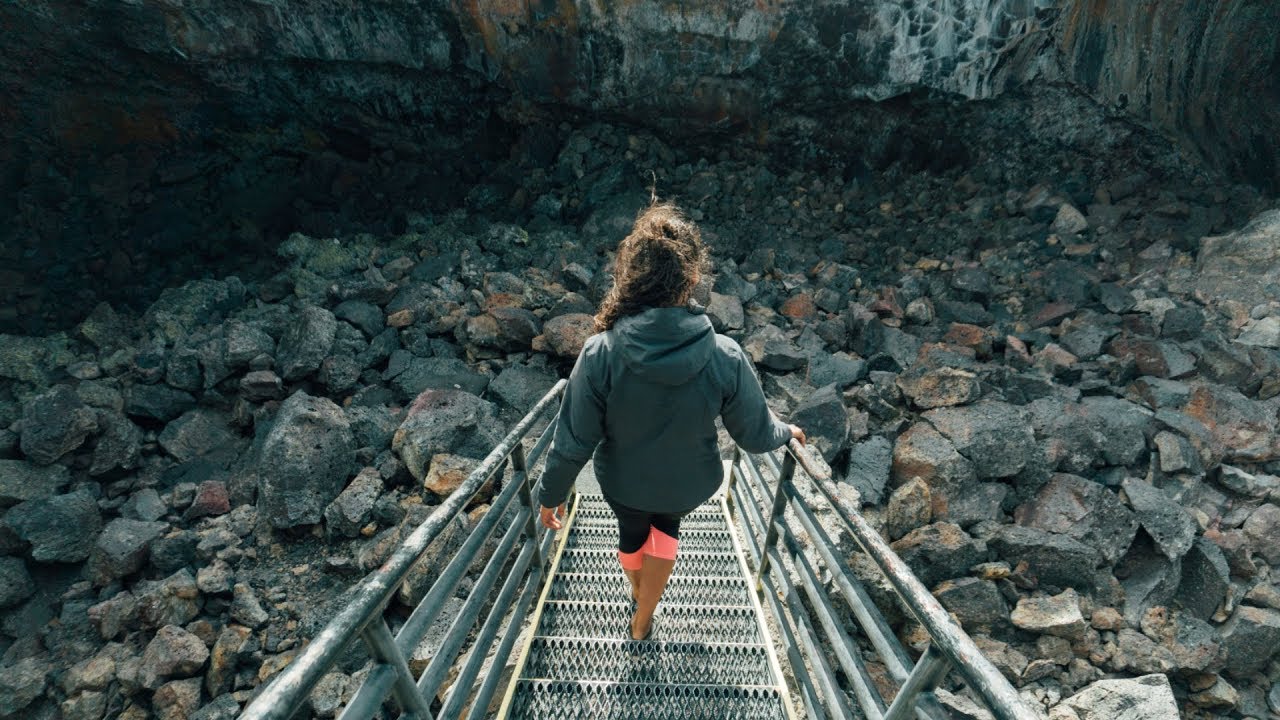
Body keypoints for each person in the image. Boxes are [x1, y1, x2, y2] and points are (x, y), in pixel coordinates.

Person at [536, 200, 805, 641]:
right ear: (693, 279)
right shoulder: (725, 354)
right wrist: (786, 432)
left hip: (623, 483)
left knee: (631, 534)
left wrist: (552, 494)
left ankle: (642, 605)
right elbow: (755, 435)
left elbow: (573, 443)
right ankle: (644, 615)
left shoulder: (601, 352)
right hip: (689, 484)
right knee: (666, 529)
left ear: (630, 279)